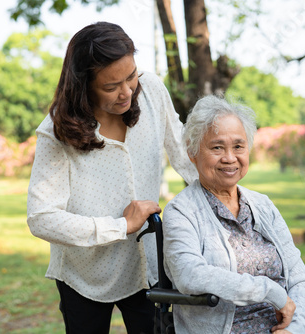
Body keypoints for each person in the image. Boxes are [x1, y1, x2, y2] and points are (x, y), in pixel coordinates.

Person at [161, 95, 305, 334]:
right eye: (217, 147)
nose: (229, 158)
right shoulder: (181, 211)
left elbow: (299, 278)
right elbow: (189, 275)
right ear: (192, 151)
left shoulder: (263, 205)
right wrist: (270, 291)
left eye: (238, 146)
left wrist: (296, 330)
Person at [26, 22, 197, 334]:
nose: (127, 91)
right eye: (111, 87)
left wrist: (225, 198)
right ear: (83, 86)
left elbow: (184, 153)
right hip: (84, 274)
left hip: (148, 265)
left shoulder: (151, 90)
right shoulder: (55, 133)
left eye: (130, 76)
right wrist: (120, 226)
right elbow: (41, 217)